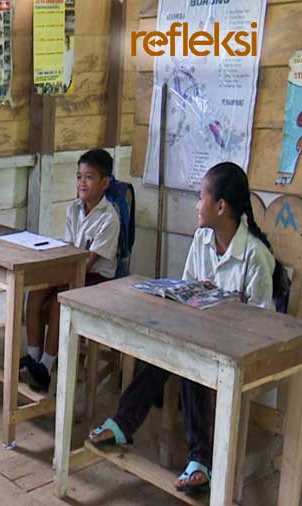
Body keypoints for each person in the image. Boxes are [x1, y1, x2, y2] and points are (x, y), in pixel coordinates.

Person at [87, 162, 281, 496]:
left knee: (193, 360)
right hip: (203, 338)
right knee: (167, 347)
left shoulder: (255, 255)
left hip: (242, 353)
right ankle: (125, 424)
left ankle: (199, 460)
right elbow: (189, 287)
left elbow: (263, 324)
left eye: (201, 196)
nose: (195, 204)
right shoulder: (203, 240)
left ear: (220, 206)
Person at [21, 149, 120, 391]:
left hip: (95, 278)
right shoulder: (73, 209)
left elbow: (89, 263)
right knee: (34, 292)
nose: (82, 183)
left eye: (89, 177)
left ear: (105, 183)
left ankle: (45, 366)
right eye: (79, 176)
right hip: (71, 268)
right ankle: (33, 359)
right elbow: (68, 247)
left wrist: (61, 278)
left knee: (58, 303)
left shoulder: (109, 219)